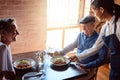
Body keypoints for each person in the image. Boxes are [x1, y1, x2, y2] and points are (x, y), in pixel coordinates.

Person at [69, 0, 120, 80]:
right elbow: (95, 48)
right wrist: (77, 56)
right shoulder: (105, 27)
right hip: (114, 68)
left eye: (94, 11)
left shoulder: (118, 25)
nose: (94, 15)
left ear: (101, 10)